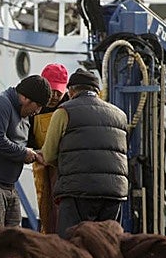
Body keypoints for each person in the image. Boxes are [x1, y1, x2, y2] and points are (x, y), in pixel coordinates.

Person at [40, 68, 128, 238]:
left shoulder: (64, 111)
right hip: (114, 192)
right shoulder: (120, 115)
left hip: (77, 191)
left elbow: (49, 155)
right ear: (98, 91)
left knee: (72, 246)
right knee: (107, 245)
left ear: (71, 91)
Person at [0, 75, 52, 227]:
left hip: (9, 186)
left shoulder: (24, 114)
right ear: (25, 98)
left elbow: (21, 144)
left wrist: (37, 154)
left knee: (13, 241)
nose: (38, 111)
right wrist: (24, 153)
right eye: (37, 105)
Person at [28, 63, 69, 234]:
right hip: (41, 167)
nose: (55, 95)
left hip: (64, 168)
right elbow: (27, 139)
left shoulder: (70, 106)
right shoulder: (33, 108)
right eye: (51, 90)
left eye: (59, 91)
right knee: (46, 213)